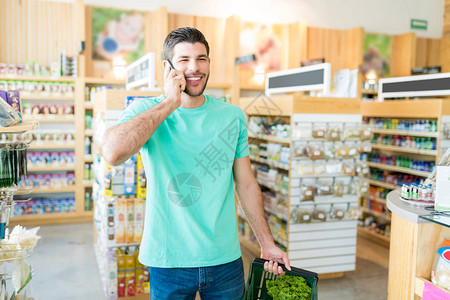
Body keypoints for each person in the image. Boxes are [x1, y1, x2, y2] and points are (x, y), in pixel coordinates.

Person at [102, 27, 290, 299]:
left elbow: (246, 184)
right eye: (184, 60)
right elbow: (112, 152)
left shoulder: (232, 116)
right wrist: (170, 102)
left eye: (201, 58)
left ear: (209, 63)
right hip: (168, 261)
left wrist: (266, 243)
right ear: (167, 68)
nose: (195, 67)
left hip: (225, 259)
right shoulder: (146, 111)